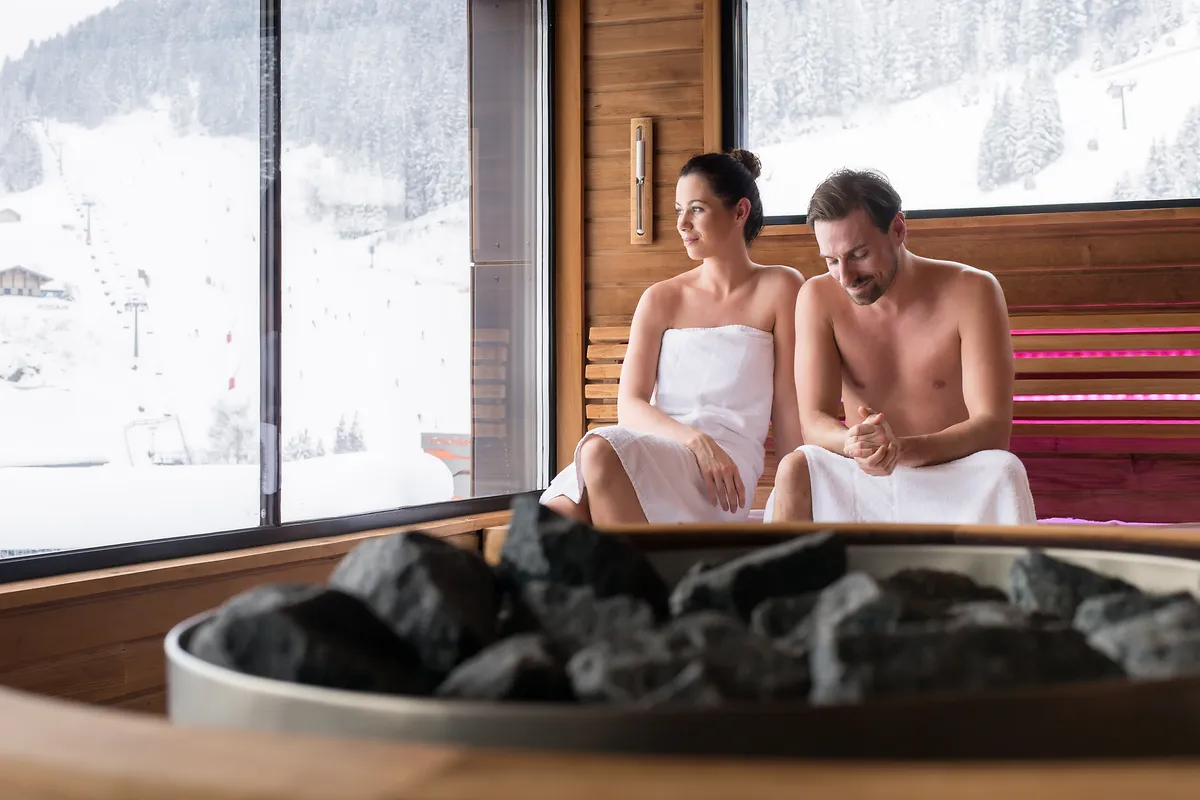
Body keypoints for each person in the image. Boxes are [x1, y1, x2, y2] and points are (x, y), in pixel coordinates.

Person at [540, 149, 805, 525]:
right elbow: (630, 406)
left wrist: (795, 497)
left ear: (739, 212)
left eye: (696, 209)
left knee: (597, 452)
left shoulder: (781, 287)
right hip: (662, 445)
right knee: (556, 518)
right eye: (679, 209)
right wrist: (696, 441)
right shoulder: (661, 298)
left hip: (723, 474)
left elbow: (788, 406)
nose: (681, 223)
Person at [765, 168, 1037, 525]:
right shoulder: (817, 297)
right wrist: (856, 444)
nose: (845, 277)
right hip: (865, 475)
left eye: (858, 254)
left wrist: (902, 450)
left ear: (897, 229)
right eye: (831, 261)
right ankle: (784, 581)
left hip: (952, 474)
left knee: (1005, 469)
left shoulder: (973, 291)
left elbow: (993, 427)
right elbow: (814, 421)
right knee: (795, 466)